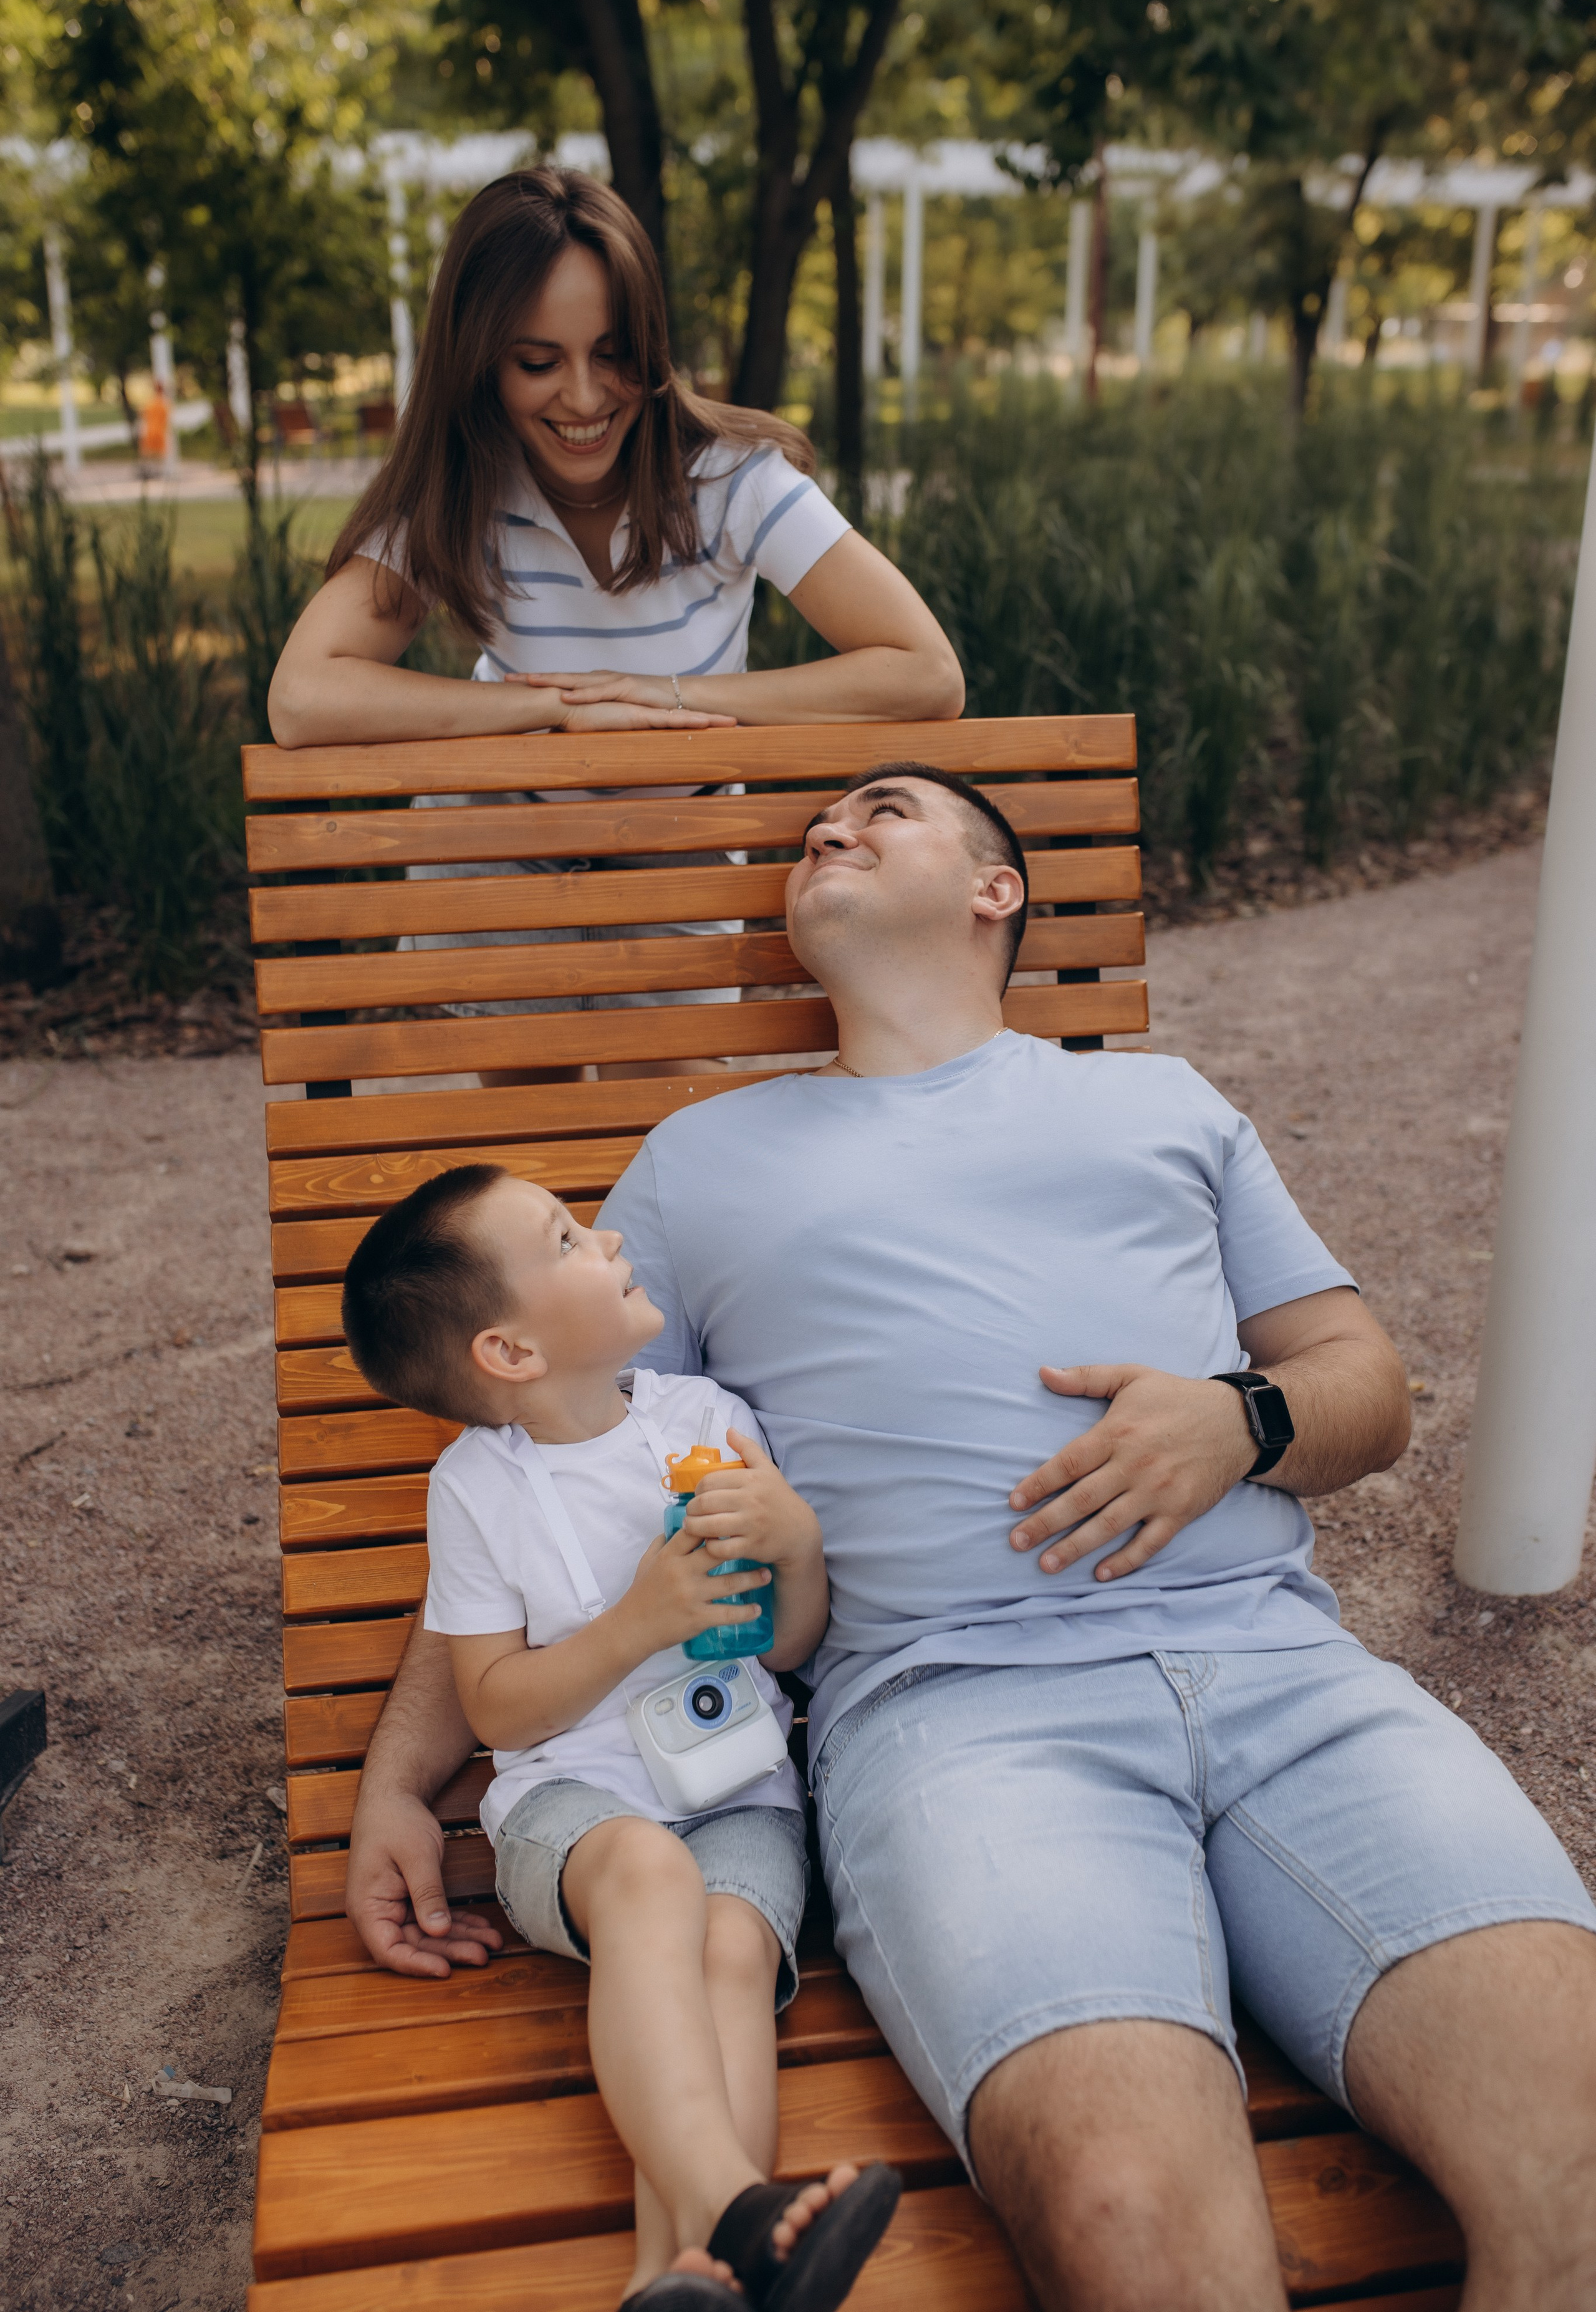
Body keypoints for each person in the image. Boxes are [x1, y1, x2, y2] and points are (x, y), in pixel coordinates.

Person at [346, 763, 1596, 2310]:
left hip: (1288, 1679)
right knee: (1128, 2219)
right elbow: (543, 1460)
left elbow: (1365, 1391)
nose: (829, 829)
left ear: (994, 890)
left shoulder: (1160, 1101)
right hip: (959, 1722)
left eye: (883, 811)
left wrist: (1239, 1421)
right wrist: (404, 1781)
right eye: (815, 829)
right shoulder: (699, 1163)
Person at [340, 1163, 901, 2312]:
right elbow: (496, 1707)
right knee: (651, 1876)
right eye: (562, 1240)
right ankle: (746, 2210)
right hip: (575, 1813)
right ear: (511, 1355)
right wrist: (636, 1622)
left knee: (735, 1955)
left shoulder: (707, 1424)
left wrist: (795, 1543)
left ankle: (681, 2278)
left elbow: (790, 1647)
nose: (600, 1235)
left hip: (737, 1784)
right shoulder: (477, 1489)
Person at [267, 165, 959, 1083]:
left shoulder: (732, 481)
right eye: (538, 362)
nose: (586, 399)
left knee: (671, 1126)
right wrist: (548, 712)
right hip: (503, 847)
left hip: (676, 848)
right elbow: (303, 698)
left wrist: (670, 697)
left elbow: (923, 672)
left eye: (613, 354)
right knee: (531, 1143)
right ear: (480, 360)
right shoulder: (462, 490)